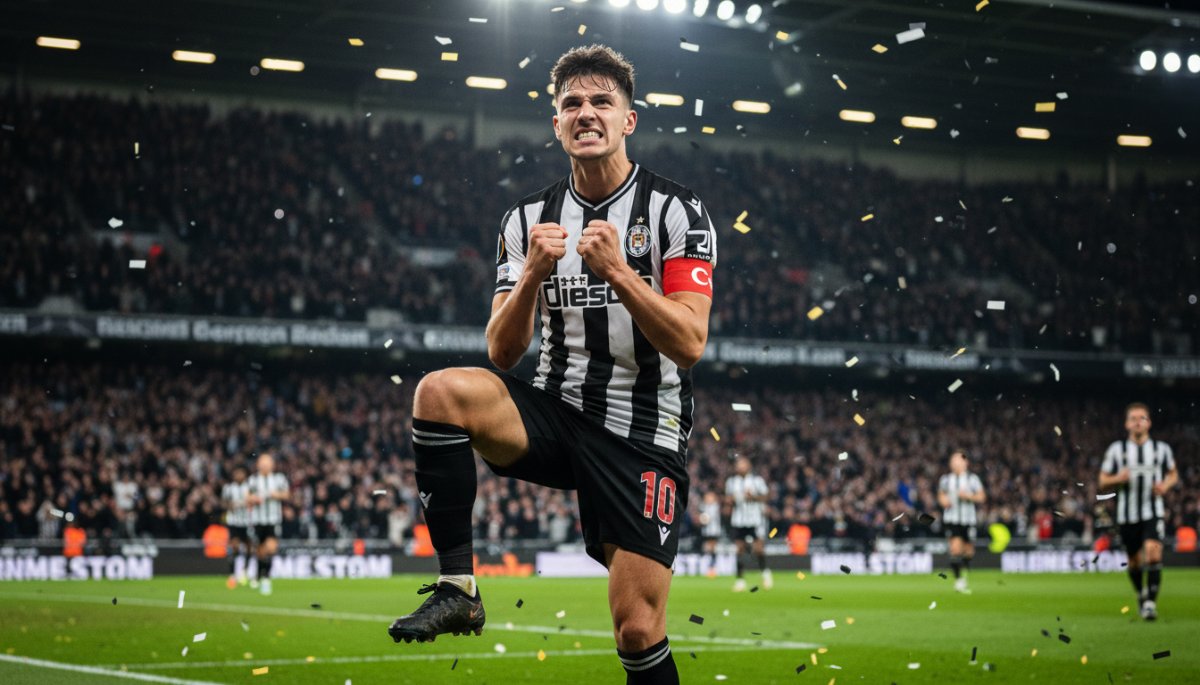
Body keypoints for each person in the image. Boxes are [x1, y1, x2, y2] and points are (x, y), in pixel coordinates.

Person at [387, 44, 717, 685]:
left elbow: (690, 342)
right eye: (572, 103)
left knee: (637, 628)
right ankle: (458, 587)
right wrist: (533, 273)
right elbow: (502, 352)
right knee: (438, 392)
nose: (586, 112)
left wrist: (619, 271)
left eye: (602, 102)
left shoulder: (677, 210)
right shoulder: (525, 220)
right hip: (554, 411)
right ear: (557, 123)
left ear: (629, 120)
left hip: (641, 430)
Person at [1099, 402, 1179, 621]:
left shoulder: (1161, 449)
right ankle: (1141, 593)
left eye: (1141, 418)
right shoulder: (1117, 450)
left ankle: (1150, 603)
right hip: (1127, 515)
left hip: (1153, 511)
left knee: (1153, 551)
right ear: (1127, 424)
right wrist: (1118, 478)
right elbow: (1102, 481)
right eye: (1133, 418)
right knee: (1134, 561)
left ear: (1148, 422)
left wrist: (1165, 486)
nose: (1137, 422)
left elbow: (1173, 474)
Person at [937, 451, 985, 594]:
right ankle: (958, 581)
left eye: (958, 460)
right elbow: (941, 496)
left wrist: (968, 496)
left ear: (965, 463)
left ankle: (962, 577)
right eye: (953, 460)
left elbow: (981, 497)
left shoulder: (972, 479)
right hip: (952, 520)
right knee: (956, 549)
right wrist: (944, 502)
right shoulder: (946, 479)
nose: (955, 463)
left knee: (969, 551)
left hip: (968, 520)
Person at [725, 457, 772, 591]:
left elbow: (766, 496)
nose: (740, 467)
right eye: (738, 465)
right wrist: (730, 500)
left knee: (758, 549)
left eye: (743, 464)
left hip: (755, 519)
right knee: (739, 549)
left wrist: (753, 497)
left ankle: (765, 574)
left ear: (749, 466)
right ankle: (740, 580)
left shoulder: (757, 480)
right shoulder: (731, 482)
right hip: (738, 520)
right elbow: (728, 499)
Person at [245, 453, 289, 596]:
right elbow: (247, 497)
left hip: (273, 520)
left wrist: (275, 495)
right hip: (258, 520)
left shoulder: (279, 478)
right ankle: (260, 575)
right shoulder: (253, 480)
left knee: (270, 547)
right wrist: (254, 499)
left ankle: (265, 577)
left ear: (272, 465)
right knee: (259, 550)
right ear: (258, 464)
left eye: (267, 463)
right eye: (263, 463)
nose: (265, 465)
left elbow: (286, 494)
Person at [221, 465, 251, 588]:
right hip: (233, 522)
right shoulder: (228, 488)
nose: (239, 476)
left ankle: (244, 571)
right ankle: (232, 575)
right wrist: (230, 505)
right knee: (234, 547)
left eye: (241, 473)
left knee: (249, 548)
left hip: (247, 522)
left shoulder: (249, 487)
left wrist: (247, 503)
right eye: (237, 473)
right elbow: (223, 503)